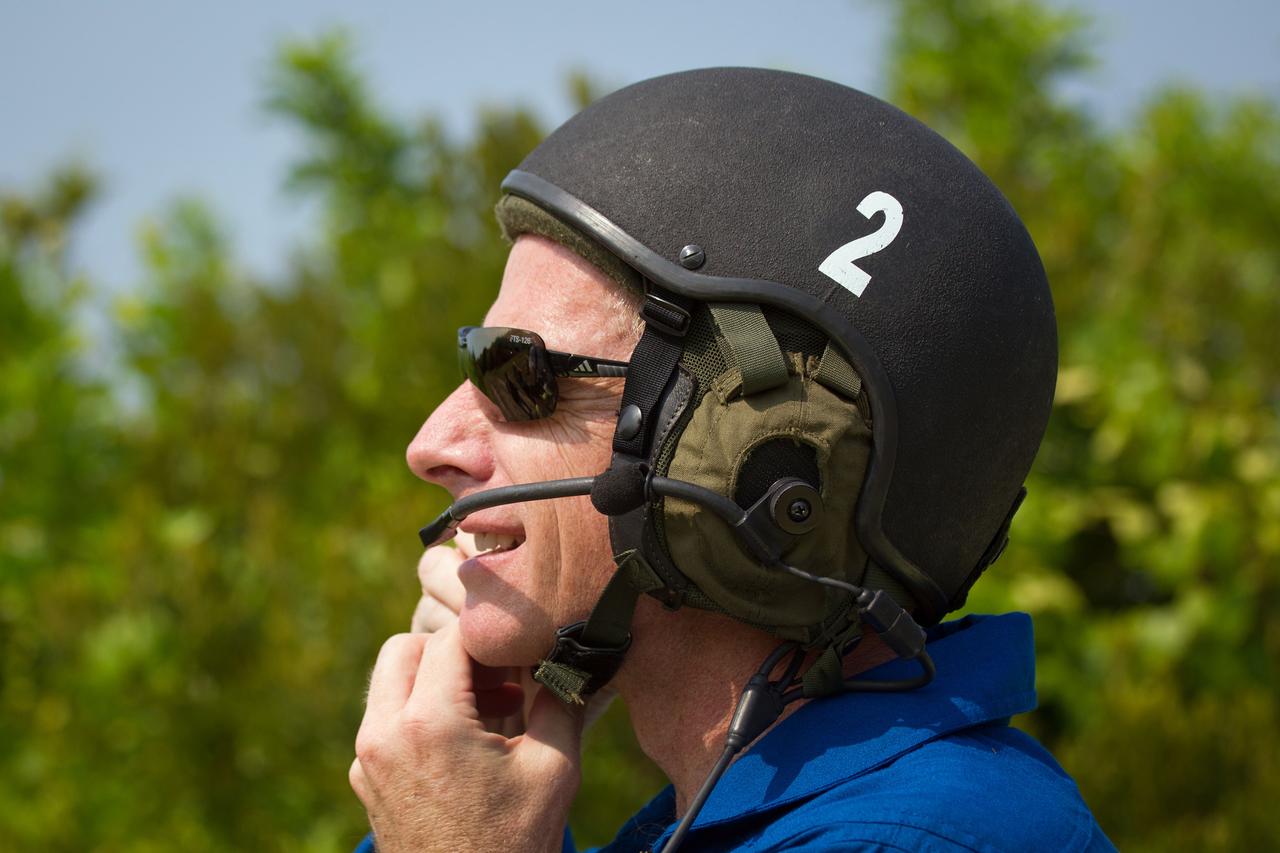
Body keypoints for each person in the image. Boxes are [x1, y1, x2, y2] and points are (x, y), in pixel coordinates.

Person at [348, 68, 1116, 852]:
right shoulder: (708, 825)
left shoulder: (920, 837)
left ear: (778, 461)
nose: (432, 447)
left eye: (522, 376)